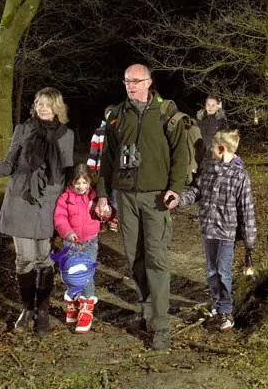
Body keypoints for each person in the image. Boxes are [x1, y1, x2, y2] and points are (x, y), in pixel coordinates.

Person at [0, 87, 74, 334]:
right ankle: (27, 309)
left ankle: (42, 311)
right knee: (25, 259)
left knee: (44, 259)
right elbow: (9, 164)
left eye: (47, 104)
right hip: (20, 201)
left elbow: (67, 175)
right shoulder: (23, 130)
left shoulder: (67, 135)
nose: (42, 108)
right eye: (38, 103)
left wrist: (72, 208)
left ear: (57, 108)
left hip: (48, 203)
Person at [95, 64, 189, 350]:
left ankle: (161, 325)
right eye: (127, 81)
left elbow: (180, 156)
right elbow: (107, 161)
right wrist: (101, 195)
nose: (131, 86)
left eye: (136, 81)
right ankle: (147, 307)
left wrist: (175, 188)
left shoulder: (167, 113)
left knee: (156, 259)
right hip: (125, 198)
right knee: (135, 258)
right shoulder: (116, 116)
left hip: (156, 197)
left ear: (149, 82)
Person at [165, 129, 256, 332]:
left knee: (223, 272)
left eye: (212, 148)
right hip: (208, 229)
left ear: (222, 149)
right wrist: (179, 199)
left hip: (226, 233)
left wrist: (250, 241)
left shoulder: (239, 175)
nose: (209, 151)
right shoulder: (208, 169)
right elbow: (196, 190)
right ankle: (217, 304)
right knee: (212, 272)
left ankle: (226, 310)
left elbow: (246, 208)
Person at [53, 163, 105, 333]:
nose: (81, 187)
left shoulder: (94, 196)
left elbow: (105, 212)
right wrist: (67, 233)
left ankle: (87, 305)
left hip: (90, 241)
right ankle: (74, 302)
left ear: (89, 182)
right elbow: (60, 219)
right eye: (78, 183)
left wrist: (106, 213)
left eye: (85, 183)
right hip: (71, 242)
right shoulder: (65, 199)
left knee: (86, 273)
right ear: (71, 183)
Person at [87, 104, 119, 233]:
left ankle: (114, 219)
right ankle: (100, 219)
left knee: (115, 194)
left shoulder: (119, 131)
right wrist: (91, 168)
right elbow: (94, 150)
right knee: (102, 194)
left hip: (116, 169)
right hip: (101, 169)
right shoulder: (99, 131)